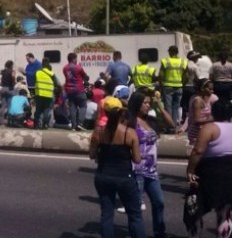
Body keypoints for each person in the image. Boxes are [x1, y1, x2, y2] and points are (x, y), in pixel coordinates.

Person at [119, 90, 174, 238]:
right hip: (136, 171)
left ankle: (159, 232)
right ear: (137, 103)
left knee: (159, 202)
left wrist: (159, 107)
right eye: (145, 102)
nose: (148, 105)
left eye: (149, 102)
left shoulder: (151, 120)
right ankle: (135, 234)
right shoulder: (129, 121)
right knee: (135, 208)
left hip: (151, 171)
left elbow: (171, 124)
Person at [89, 97, 146, 238]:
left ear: (105, 113)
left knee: (107, 215)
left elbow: (92, 155)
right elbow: (137, 159)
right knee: (134, 215)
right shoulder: (129, 133)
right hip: (124, 177)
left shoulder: (98, 132)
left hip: (103, 176)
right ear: (121, 113)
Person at [185, 99, 232, 238]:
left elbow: (198, 151)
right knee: (225, 210)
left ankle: (194, 234)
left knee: (193, 209)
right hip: (229, 172)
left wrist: (190, 171)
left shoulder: (209, 128)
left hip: (209, 173)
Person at [158, 45, 188, 131]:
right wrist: (183, 85)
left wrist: (161, 85)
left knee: (168, 107)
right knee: (176, 107)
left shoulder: (165, 61)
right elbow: (186, 76)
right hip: (179, 87)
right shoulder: (183, 62)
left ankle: (169, 127)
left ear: (170, 52)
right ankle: (174, 126)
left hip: (168, 86)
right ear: (177, 52)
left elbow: (160, 75)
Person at [185, 78, 217, 147]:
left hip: (205, 131)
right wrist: (212, 119)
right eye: (210, 89)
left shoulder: (213, 98)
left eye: (212, 89)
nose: (212, 91)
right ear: (202, 89)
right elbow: (196, 120)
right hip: (196, 133)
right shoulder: (197, 101)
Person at [63, 52, 89, 131]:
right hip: (79, 89)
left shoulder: (65, 68)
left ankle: (73, 126)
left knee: (72, 107)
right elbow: (85, 76)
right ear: (73, 59)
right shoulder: (78, 67)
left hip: (69, 90)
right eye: (76, 59)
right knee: (83, 106)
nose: (76, 60)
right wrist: (86, 78)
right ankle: (80, 124)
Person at [35, 57, 60, 130]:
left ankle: (36, 124)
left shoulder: (37, 72)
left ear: (42, 64)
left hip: (39, 93)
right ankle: (44, 125)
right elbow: (56, 83)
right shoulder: (51, 73)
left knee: (38, 109)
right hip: (48, 94)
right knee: (46, 110)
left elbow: (34, 82)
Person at [181, 50, 201, 123]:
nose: (197, 59)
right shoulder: (194, 67)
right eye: (196, 58)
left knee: (185, 105)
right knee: (192, 105)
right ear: (194, 58)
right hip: (192, 87)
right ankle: (191, 120)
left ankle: (184, 120)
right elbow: (198, 78)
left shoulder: (185, 65)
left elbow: (183, 77)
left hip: (185, 87)